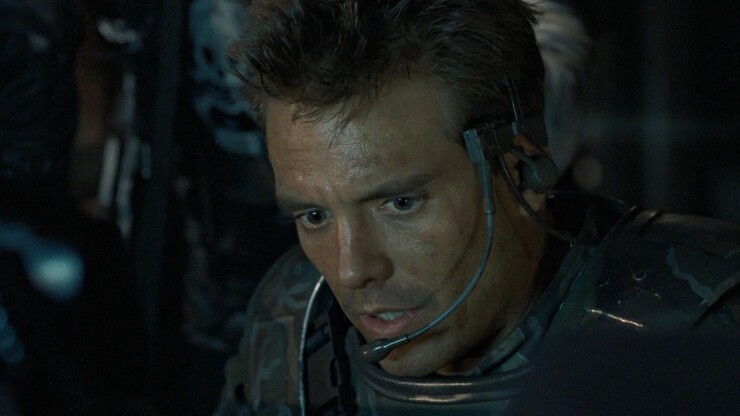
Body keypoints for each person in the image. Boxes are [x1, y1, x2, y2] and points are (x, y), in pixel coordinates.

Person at [214, 0, 740, 415]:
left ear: (519, 173)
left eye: (400, 203)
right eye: (314, 216)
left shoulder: (703, 327)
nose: (352, 270)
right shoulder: (295, 328)